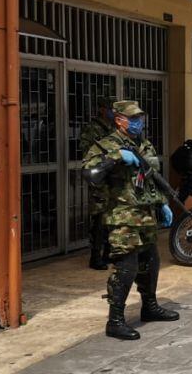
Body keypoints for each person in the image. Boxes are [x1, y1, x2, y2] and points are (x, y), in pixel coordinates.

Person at [82, 100, 178, 340]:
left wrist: (163, 203)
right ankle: (115, 320)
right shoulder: (105, 145)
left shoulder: (144, 144)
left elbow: (151, 177)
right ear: (119, 120)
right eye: (133, 119)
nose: (138, 123)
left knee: (151, 261)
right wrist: (116, 157)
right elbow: (89, 173)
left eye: (140, 119)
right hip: (121, 214)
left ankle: (150, 306)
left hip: (145, 213)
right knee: (127, 266)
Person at [79, 96, 115, 270]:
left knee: (112, 218)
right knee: (99, 219)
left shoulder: (114, 129)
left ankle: (109, 253)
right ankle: (95, 256)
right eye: (109, 108)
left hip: (113, 179)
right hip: (100, 180)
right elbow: (86, 151)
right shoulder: (92, 129)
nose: (112, 112)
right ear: (101, 109)